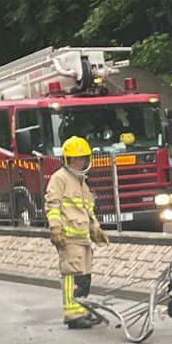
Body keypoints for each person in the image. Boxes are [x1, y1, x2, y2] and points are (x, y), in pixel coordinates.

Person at [46, 135, 109, 326]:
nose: (80, 161)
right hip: (68, 237)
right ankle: (72, 315)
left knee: (84, 277)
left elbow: (86, 209)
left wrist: (95, 229)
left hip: (82, 238)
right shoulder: (60, 179)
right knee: (71, 276)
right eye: (76, 158)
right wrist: (56, 228)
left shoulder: (81, 181)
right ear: (68, 159)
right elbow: (52, 205)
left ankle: (82, 309)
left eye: (82, 158)